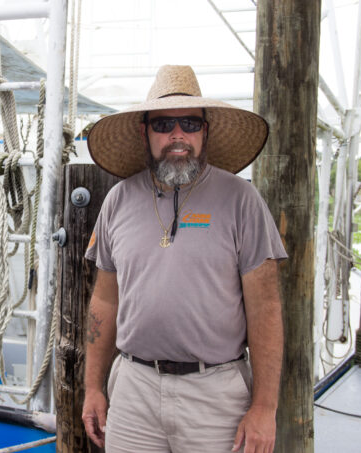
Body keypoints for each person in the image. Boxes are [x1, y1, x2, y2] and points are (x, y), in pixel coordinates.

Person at [81, 65, 287, 453]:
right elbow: (105, 301)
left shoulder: (242, 201)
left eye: (190, 123)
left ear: (204, 131)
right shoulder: (117, 201)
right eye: (164, 124)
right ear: (145, 132)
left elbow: (266, 309)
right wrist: (93, 387)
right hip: (134, 390)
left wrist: (264, 407)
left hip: (216, 395)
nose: (178, 135)